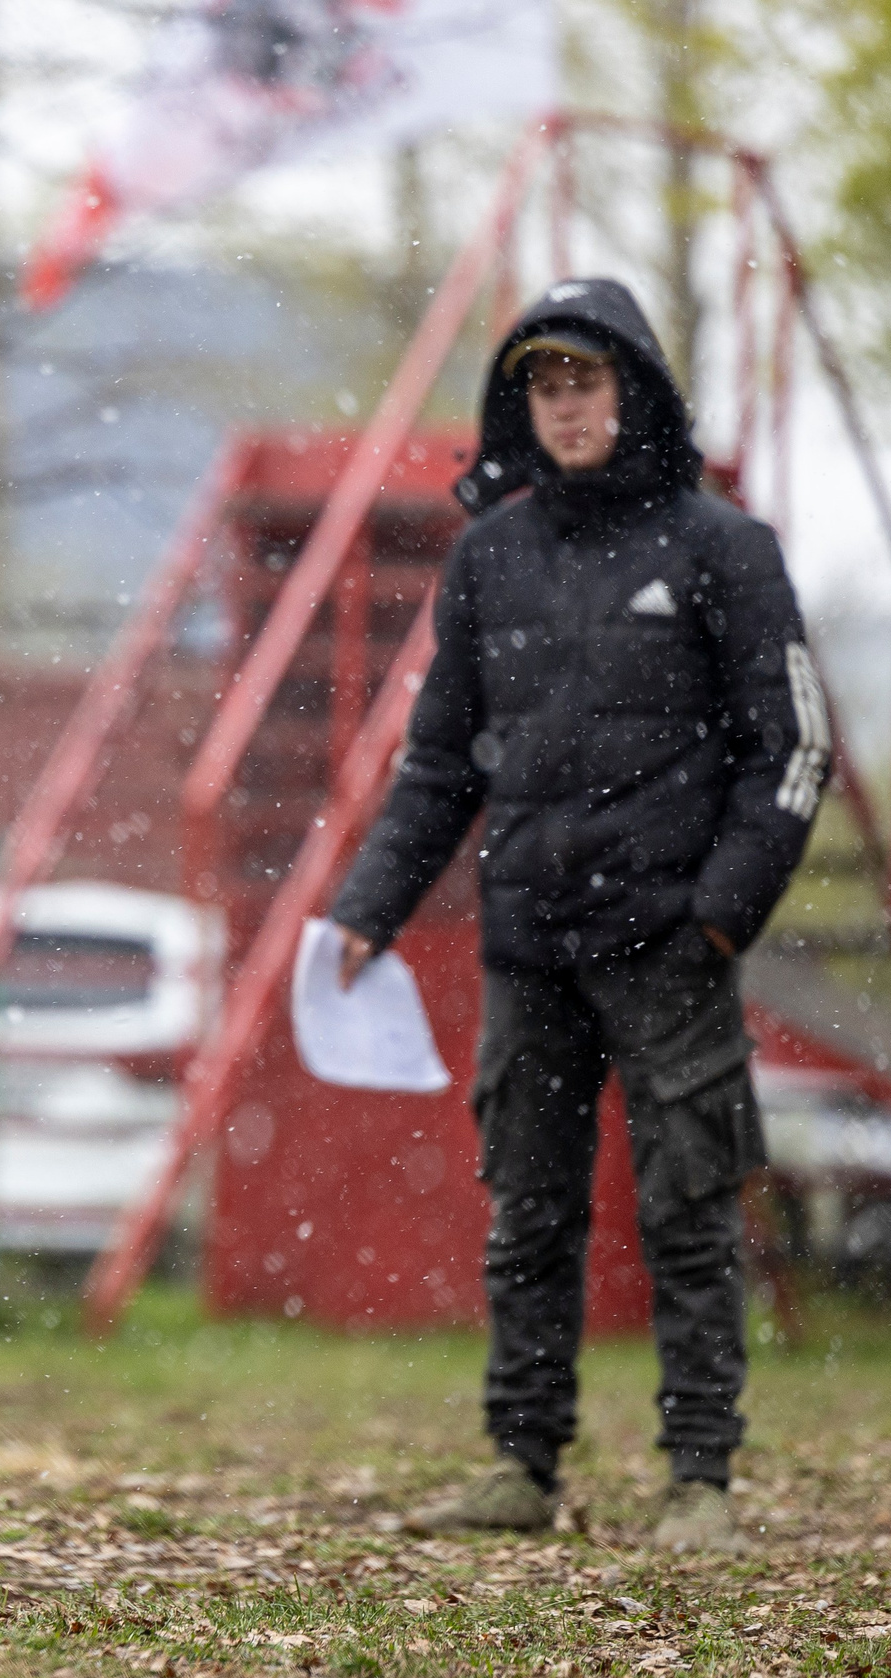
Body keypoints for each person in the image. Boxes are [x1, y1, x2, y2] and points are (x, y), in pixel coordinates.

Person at [327, 278, 827, 1553]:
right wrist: (368, 907)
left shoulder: (725, 549)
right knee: (529, 1214)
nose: (562, 406)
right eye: (542, 387)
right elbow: (438, 764)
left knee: (688, 1213)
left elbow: (792, 750)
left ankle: (699, 1481)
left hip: (671, 948)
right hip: (530, 945)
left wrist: (718, 917)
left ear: (633, 391)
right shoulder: (487, 556)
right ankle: (520, 1464)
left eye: (583, 381)